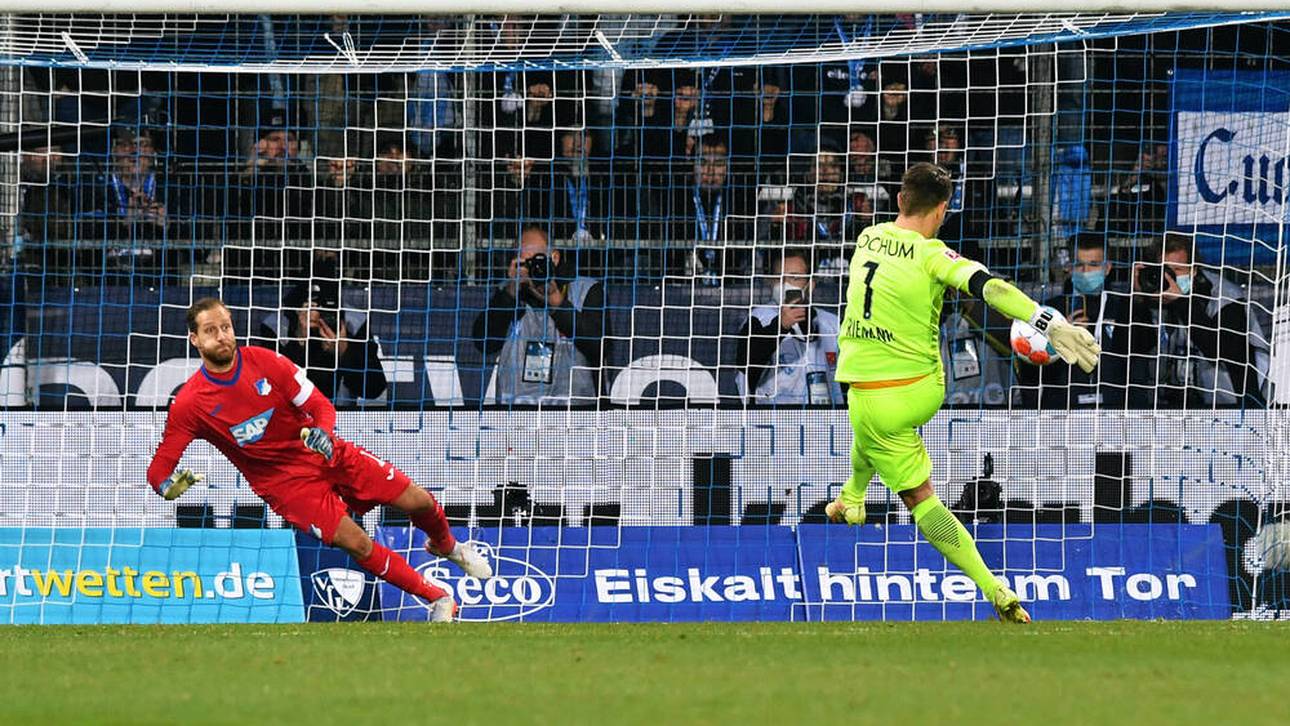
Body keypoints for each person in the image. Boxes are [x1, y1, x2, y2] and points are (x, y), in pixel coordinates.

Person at [825, 162, 1102, 623]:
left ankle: (994, 588)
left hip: (873, 387)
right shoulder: (933, 255)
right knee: (873, 432)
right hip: (917, 389)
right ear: (943, 209)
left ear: (900, 200)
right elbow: (989, 287)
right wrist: (1047, 321)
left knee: (919, 498)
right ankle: (851, 498)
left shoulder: (867, 239)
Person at [148, 298, 490, 621]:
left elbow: (320, 406)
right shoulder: (190, 403)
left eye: (226, 327)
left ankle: (447, 546)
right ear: (195, 339)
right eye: (211, 330)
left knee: (418, 500)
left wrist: (323, 433)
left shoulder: (267, 362)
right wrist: (166, 486)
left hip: (325, 453)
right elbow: (159, 468)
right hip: (287, 487)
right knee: (358, 543)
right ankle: (438, 598)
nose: (222, 336)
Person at [471, 226, 610, 404]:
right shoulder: (508, 294)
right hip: (517, 413)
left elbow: (600, 347)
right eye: (525, 262)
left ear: (555, 258)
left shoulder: (586, 290)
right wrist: (509, 293)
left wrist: (557, 303)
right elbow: (484, 343)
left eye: (538, 261)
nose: (533, 268)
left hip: (575, 414)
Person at [1131, 233, 1270, 408]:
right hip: (1167, 402)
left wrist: (1181, 302)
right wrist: (1137, 299)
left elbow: (1218, 351)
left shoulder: (1226, 297)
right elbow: (1133, 347)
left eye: (1178, 270)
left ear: (1194, 270)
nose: (1170, 278)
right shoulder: (1153, 292)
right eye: (1165, 270)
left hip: (1229, 404)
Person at [733, 247, 842, 405]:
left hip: (825, 417)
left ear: (810, 284)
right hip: (775, 416)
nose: (786, 284)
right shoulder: (758, 319)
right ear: (771, 282)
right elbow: (746, 365)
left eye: (795, 277)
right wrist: (781, 326)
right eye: (780, 278)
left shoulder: (831, 323)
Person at [257, 279, 389, 404]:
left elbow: (374, 389)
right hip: (292, 413)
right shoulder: (276, 326)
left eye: (323, 307)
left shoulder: (353, 321)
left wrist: (344, 351)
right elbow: (269, 391)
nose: (317, 314)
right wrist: (299, 341)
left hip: (340, 412)